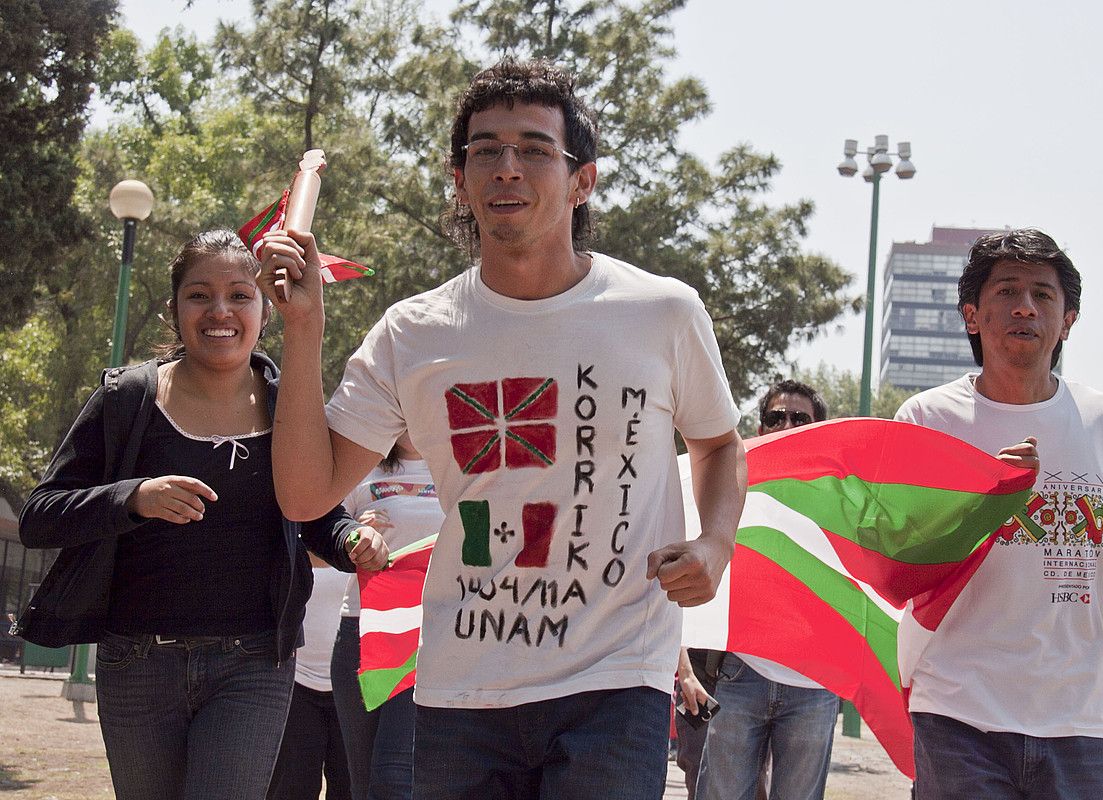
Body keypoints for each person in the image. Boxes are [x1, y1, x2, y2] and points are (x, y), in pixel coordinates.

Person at [259, 57, 748, 799]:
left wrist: (714, 545)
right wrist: (302, 329)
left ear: (582, 180)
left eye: (533, 149)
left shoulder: (663, 312)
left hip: (617, 680)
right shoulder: (412, 334)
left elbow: (718, 444)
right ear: (460, 181)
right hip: (462, 691)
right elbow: (304, 495)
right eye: (484, 150)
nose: (506, 168)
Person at [15, 229, 388, 800]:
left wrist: (351, 539)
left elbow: (314, 512)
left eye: (240, 294)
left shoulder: (291, 403)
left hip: (254, 664)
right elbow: (40, 517)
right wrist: (133, 497)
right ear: (174, 309)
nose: (221, 311)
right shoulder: (127, 399)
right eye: (200, 295)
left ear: (265, 307)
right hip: (135, 662)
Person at [893, 228, 1103, 800]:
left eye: (1044, 295)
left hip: (1081, 721)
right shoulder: (927, 418)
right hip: (959, 710)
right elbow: (898, 556)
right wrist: (985, 495)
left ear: (1068, 320)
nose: (1025, 307)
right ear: (972, 316)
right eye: (1007, 291)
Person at [681, 380, 841, 800]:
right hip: (739, 673)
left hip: (813, 680)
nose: (786, 424)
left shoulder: (842, 498)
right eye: (775, 417)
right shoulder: (728, 489)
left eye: (799, 418)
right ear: (760, 428)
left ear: (818, 428)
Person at [331, 438, 444, 800]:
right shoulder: (358, 469)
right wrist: (352, 535)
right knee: (361, 783)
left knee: (394, 777)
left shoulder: (453, 469)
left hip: (427, 634)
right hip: (362, 630)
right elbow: (316, 539)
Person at [268, 556, 352, 800]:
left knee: (352, 788)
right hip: (296, 681)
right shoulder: (293, 523)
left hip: (354, 685)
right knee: (293, 787)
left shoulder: (374, 526)